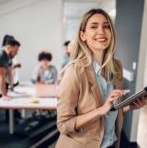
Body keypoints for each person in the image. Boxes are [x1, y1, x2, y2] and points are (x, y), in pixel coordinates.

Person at [56, 9, 146, 148]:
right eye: (94, 26)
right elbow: (64, 125)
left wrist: (128, 107)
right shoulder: (74, 71)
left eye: (106, 26)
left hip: (110, 143)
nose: (101, 31)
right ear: (82, 35)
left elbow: (109, 111)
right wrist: (100, 110)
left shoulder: (116, 67)